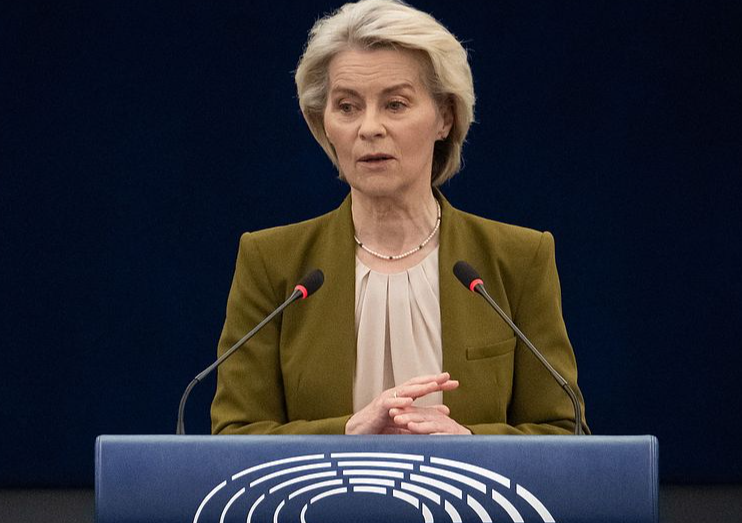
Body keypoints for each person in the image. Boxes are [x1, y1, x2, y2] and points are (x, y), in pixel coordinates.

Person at [210, 0, 588, 435]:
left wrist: (471, 446)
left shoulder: (517, 260)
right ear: (323, 122)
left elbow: (566, 433)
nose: (369, 128)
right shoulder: (273, 263)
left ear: (445, 117)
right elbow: (234, 436)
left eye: (395, 104)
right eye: (347, 107)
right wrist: (346, 434)